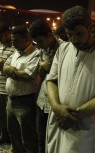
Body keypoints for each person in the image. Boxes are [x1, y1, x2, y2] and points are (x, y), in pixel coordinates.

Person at [46, 5, 95, 153]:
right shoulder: (63, 49)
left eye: (79, 34)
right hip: (59, 122)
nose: (74, 40)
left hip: (87, 128)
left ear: (90, 29)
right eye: (69, 35)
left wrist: (74, 115)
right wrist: (56, 107)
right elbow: (51, 80)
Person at [28, 18, 65, 153]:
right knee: (41, 139)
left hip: (56, 104)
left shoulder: (65, 49)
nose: (38, 46)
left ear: (50, 36)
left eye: (40, 42)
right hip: (42, 102)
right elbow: (40, 74)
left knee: (55, 141)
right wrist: (43, 68)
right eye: (36, 42)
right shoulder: (43, 49)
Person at [3, 25, 40, 153]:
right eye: (12, 40)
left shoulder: (35, 54)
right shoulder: (16, 52)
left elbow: (28, 76)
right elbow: (5, 66)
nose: (13, 43)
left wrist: (11, 71)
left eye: (16, 41)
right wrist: (15, 71)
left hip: (26, 102)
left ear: (26, 39)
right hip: (11, 100)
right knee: (13, 132)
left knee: (28, 136)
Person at [0, 22, 15, 144]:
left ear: (8, 33)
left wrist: (3, 63)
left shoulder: (15, 46)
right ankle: (4, 134)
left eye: (1, 36)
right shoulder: (1, 45)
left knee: (10, 118)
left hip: (8, 87)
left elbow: (15, 65)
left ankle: (13, 140)